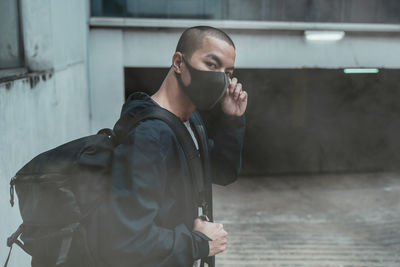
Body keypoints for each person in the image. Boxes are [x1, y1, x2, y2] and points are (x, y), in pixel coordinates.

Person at [91, 26, 248, 267]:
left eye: (228, 72)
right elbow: (125, 240)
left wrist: (232, 120)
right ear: (178, 62)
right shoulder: (149, 137)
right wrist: (199, 243)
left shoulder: (190, 121)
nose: (221, 79)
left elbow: (222, 171)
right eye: (212, 65)